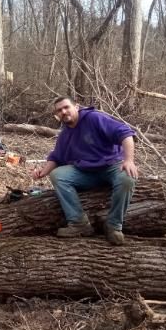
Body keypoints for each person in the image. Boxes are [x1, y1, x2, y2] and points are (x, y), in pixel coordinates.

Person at [31, 96, 138, 245]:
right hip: (86, 172)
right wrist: (43, 172)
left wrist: (129, 160)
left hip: (112, 166)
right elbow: (57, 157)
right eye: (59, 110)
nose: (63, 111)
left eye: (66, 107)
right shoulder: (65, 134)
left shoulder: (94, 118)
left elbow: (126, 134)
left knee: (127, 177)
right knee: (58, 175)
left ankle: (113, 226)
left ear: (77, 106)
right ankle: (79, 224)